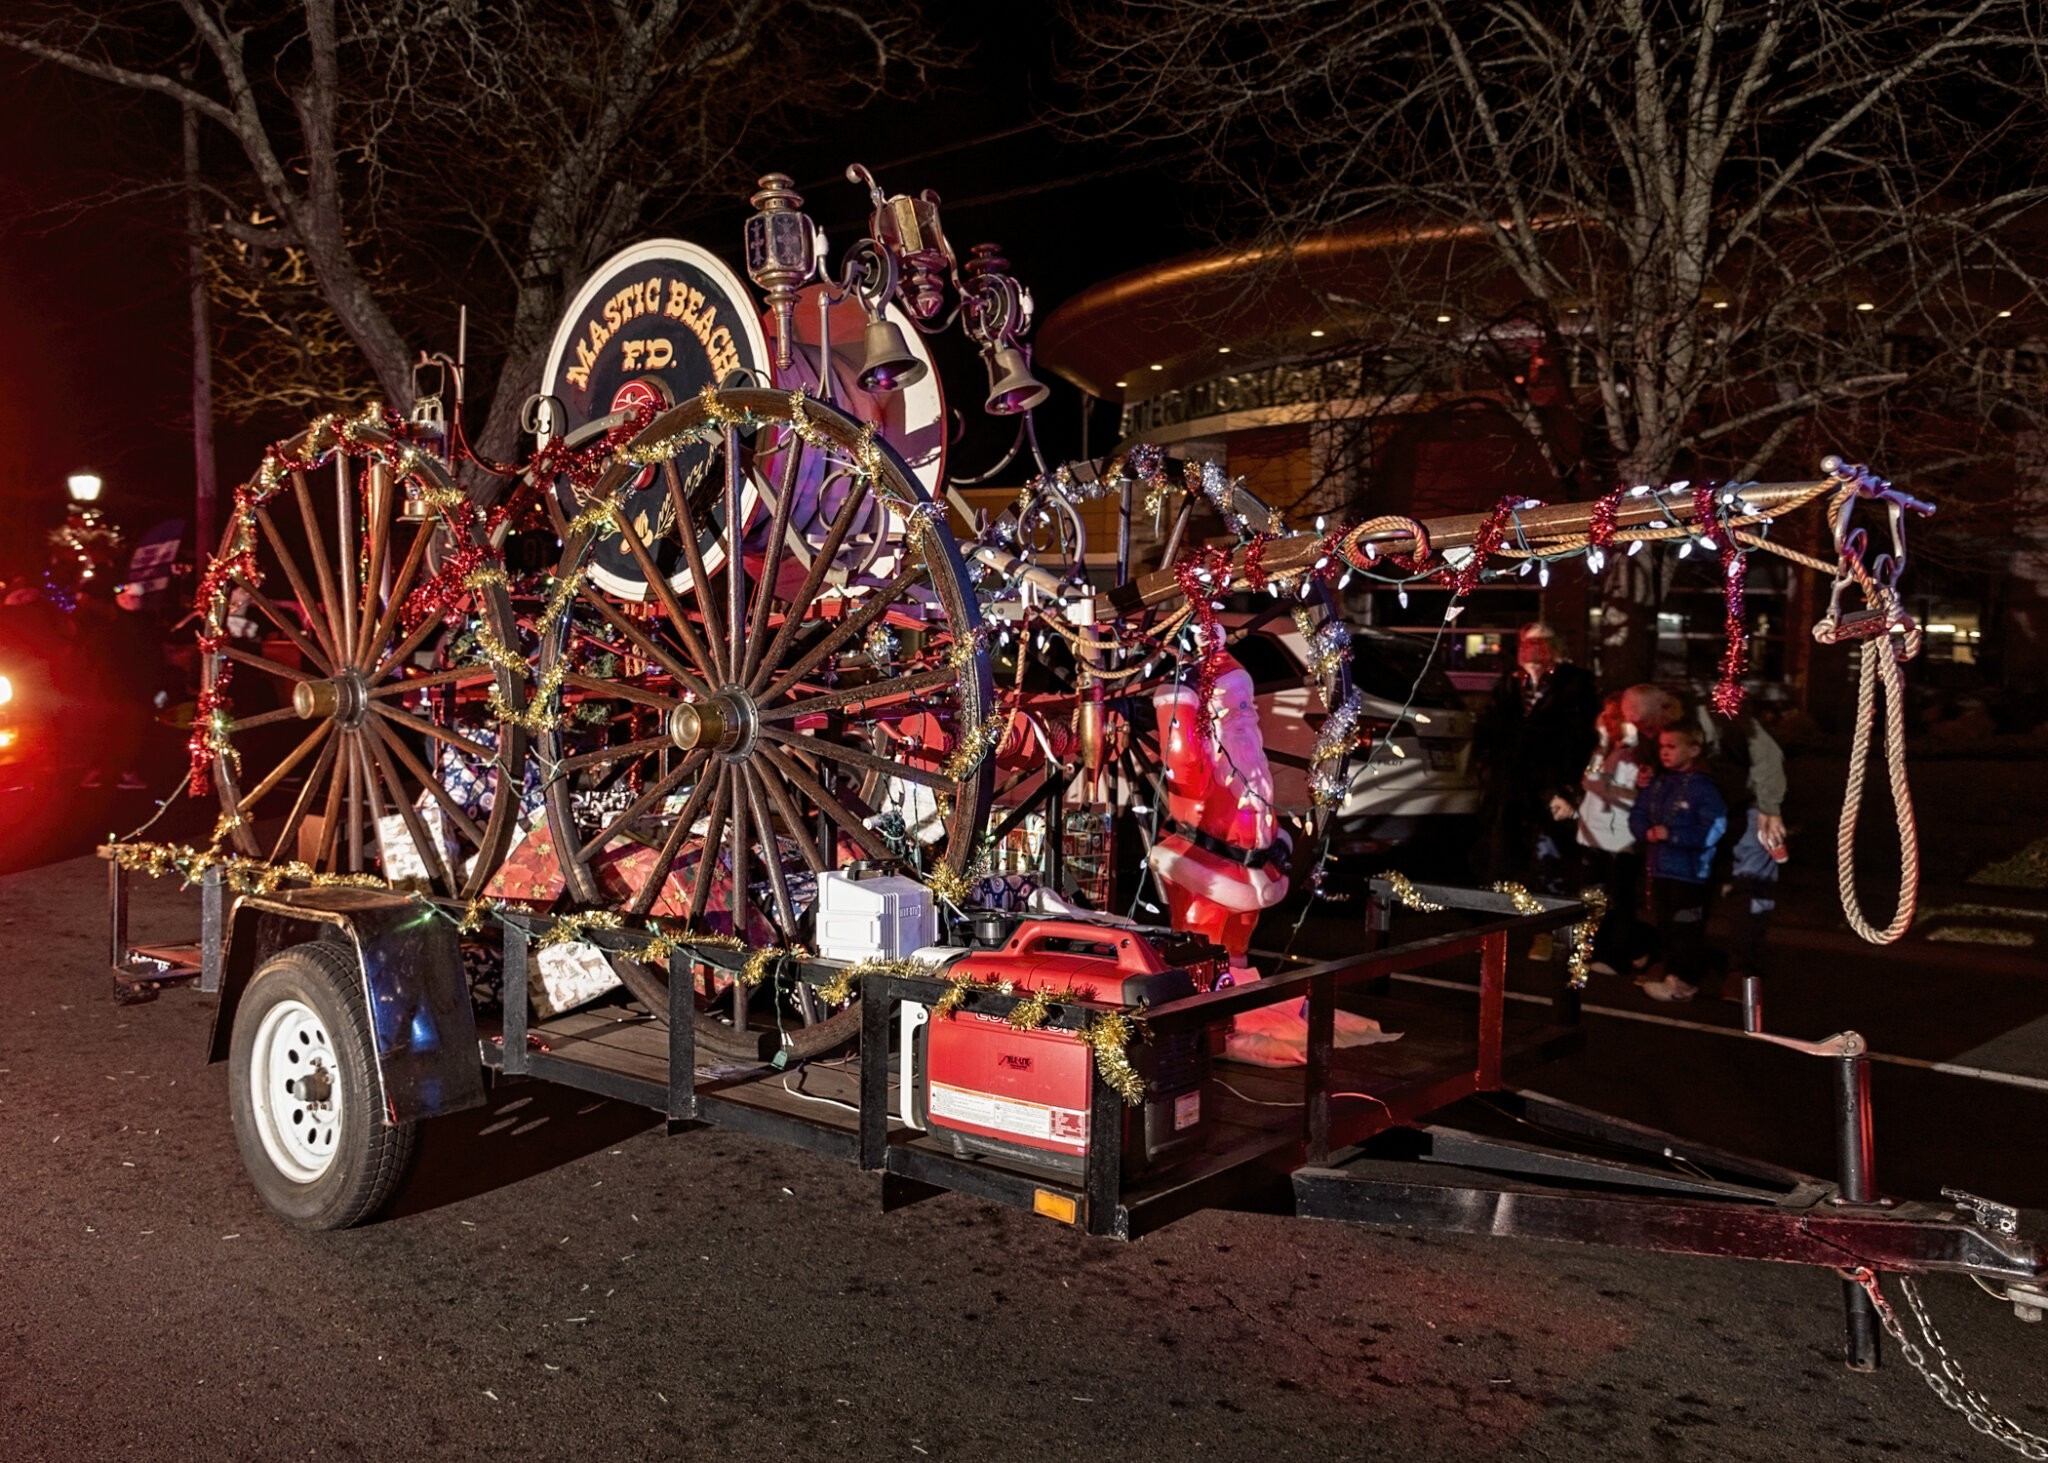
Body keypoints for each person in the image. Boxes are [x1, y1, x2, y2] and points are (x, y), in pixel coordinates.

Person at [1474, 622, 1599, 897]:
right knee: (1505, 853)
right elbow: (1491, 730)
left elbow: (1578, 739)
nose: (1533, 649)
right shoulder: (1510, 683)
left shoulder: (1574, 683)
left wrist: (1567, 788)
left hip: (1550, 782)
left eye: (1541, 643)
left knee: (1551, 856)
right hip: (1510, 785)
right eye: (1528, 643)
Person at [1573, 683, 1674, 976]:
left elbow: (1627, 791)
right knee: (1598, 893)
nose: (1606, 720)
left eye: (1612, 716)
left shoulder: (1637, 750)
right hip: (1596, 833)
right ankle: (1603, 948)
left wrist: (1601, 786)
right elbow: (1589, 778)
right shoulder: (1612, 749)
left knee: (1620, 896)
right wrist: (1602, 747)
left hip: (1620, 835)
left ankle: (1620, 953)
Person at [1630, 723, 1728, 1002]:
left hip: (1691, 873)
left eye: (1672, 746)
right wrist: (1644, 830)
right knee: (1667, 924)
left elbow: (1714, 827)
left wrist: (1672, 835)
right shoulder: (1660, 783)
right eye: (1662, 746)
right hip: (1661, 868)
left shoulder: (1703, 788)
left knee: (1686, 927)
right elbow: (1639, 811)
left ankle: (1685, 980)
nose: (1665, 752)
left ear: (1694, 750)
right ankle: (1672, 972)